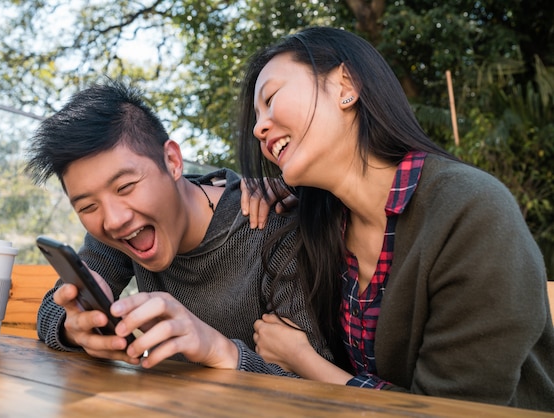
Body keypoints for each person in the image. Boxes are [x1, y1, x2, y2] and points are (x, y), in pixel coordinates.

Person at [237, 26, 554, 411]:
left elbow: (454, 411)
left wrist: (306, 362)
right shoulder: (322, 229)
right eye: (256, 117)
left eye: (270, 98)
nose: (258, 127)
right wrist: (243, 188)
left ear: (346, 85)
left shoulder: (472, 213)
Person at [25, 79, 332, 373]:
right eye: (88, 206)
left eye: (126, 186)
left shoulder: (272, 225)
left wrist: (221, 351)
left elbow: (322, 387)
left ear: (172, 161)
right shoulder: (115, 233)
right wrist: (72, 328)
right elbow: (50, 312)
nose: (114, 219)